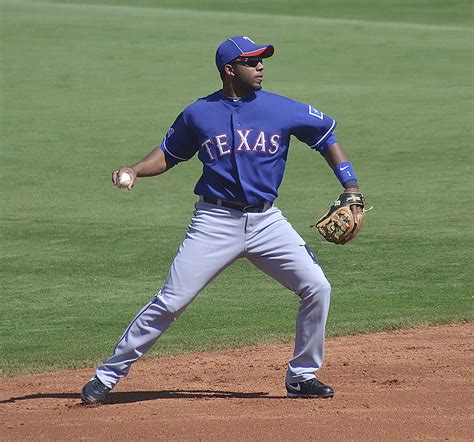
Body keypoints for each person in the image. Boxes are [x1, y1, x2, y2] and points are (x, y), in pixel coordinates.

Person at [81, 35, 363, 404]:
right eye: (252, 61)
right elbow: (169, 153)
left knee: (317, 287)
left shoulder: (282, 108)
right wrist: (135, 169)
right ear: (229, 70)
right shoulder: (199, 113)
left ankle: (302, 375)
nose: (260, 67)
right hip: (214, 222)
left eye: (262, 61)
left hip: (268, 223)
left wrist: (352, 187)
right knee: (171, 301)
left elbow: (326, 136)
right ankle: (106, 376)